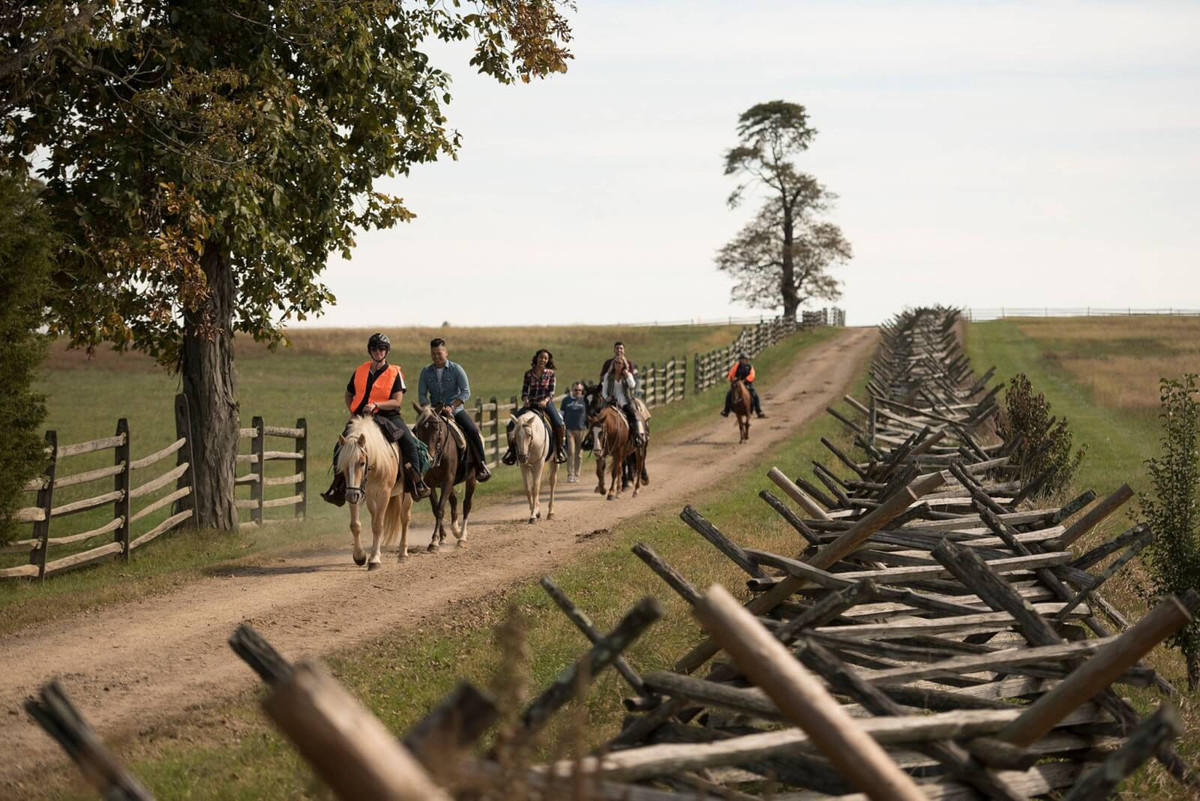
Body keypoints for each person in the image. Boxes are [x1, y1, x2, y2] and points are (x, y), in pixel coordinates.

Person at [322, 333, 432, 505]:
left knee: (409, 442)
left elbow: (396, 401)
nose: (378, 351)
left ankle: (417, 482)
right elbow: (348, 394)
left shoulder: (394, 373)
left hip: (388, 416)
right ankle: (338, 486)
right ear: (370, 351)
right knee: (340, 446)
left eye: (382, 348)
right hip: (362, 417)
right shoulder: (360, 370)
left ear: (386, 351)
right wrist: (352, 410)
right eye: (374, 348)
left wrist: (376, 405)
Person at [417, 338, 492, 483]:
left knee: (473, 431)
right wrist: (427, 409)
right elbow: (421, 394)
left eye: (439, 353)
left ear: (446, 352)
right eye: (433, 354)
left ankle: (481, 465)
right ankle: (416, 470)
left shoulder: (456, 369)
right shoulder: (426, 372)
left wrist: (451, 406)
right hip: (434, 413)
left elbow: (465, 392)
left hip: (456, 411)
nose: (436, 357)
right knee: (416, 432)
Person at [502, 349, 567, 465]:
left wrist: (545, 401)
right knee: (510, 424)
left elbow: (551, 393)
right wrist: (526, 399)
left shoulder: (551, 374)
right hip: (531, 404)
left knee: (558, 423)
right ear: (537, 358)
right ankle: (511, 451)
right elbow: (524, 391)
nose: (543, 360)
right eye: (541, 357)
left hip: (545, 404)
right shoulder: (528, 374)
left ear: (548, 361)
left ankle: (560, 450)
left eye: (545, 358)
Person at [602, 356, 643, 443]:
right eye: (616, 363)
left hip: (625, 402)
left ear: (623, 365)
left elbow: (632, 385)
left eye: (620, 363)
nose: (617, 365)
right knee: (600, 417)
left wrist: (627, 374)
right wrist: (607, 398)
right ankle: (595, 440)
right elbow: (604, 391)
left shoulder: (628, 375)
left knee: (634, 415)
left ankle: (637, 436)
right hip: (612, 402)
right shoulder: (608, 376)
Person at [721, 352, 766, 418]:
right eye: (742, 359)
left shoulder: (750, 367)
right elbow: (731, 374)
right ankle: (726, 410)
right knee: (729, 394)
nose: (743, 360)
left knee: (755, 395)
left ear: (747, 360)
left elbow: (752, 375)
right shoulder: (736, 366)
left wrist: (745, 380)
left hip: (747, 384)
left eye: (744, 359)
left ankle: (758, 410)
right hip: (737, 385)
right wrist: (733, 379)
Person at [559, 381, 589, 482]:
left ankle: (577, 474)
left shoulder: (585, 401)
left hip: (581, 430)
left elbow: (589, 414)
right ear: (572, 390)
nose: (578, 392)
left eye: (580, 390)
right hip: (570, 430)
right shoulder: (566, 401)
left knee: (579, 454)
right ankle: (570, 474)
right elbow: (562, 414)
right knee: (571, 452)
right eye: (576, 390)